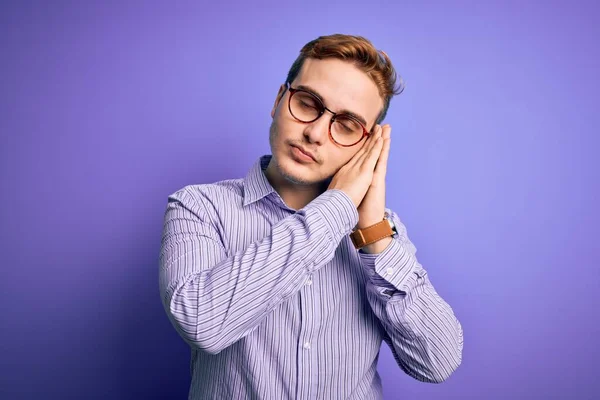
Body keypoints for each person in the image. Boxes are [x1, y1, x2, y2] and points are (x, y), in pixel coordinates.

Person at [159, 33, 463, 399]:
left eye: (347, 125)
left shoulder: (379, 234)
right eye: (307, 103)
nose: (315, 133)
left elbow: (438, 362)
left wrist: (374, 237)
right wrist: (338, 205)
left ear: (368, 146)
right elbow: (203, 323)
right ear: (279, 100)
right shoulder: (198, 207)